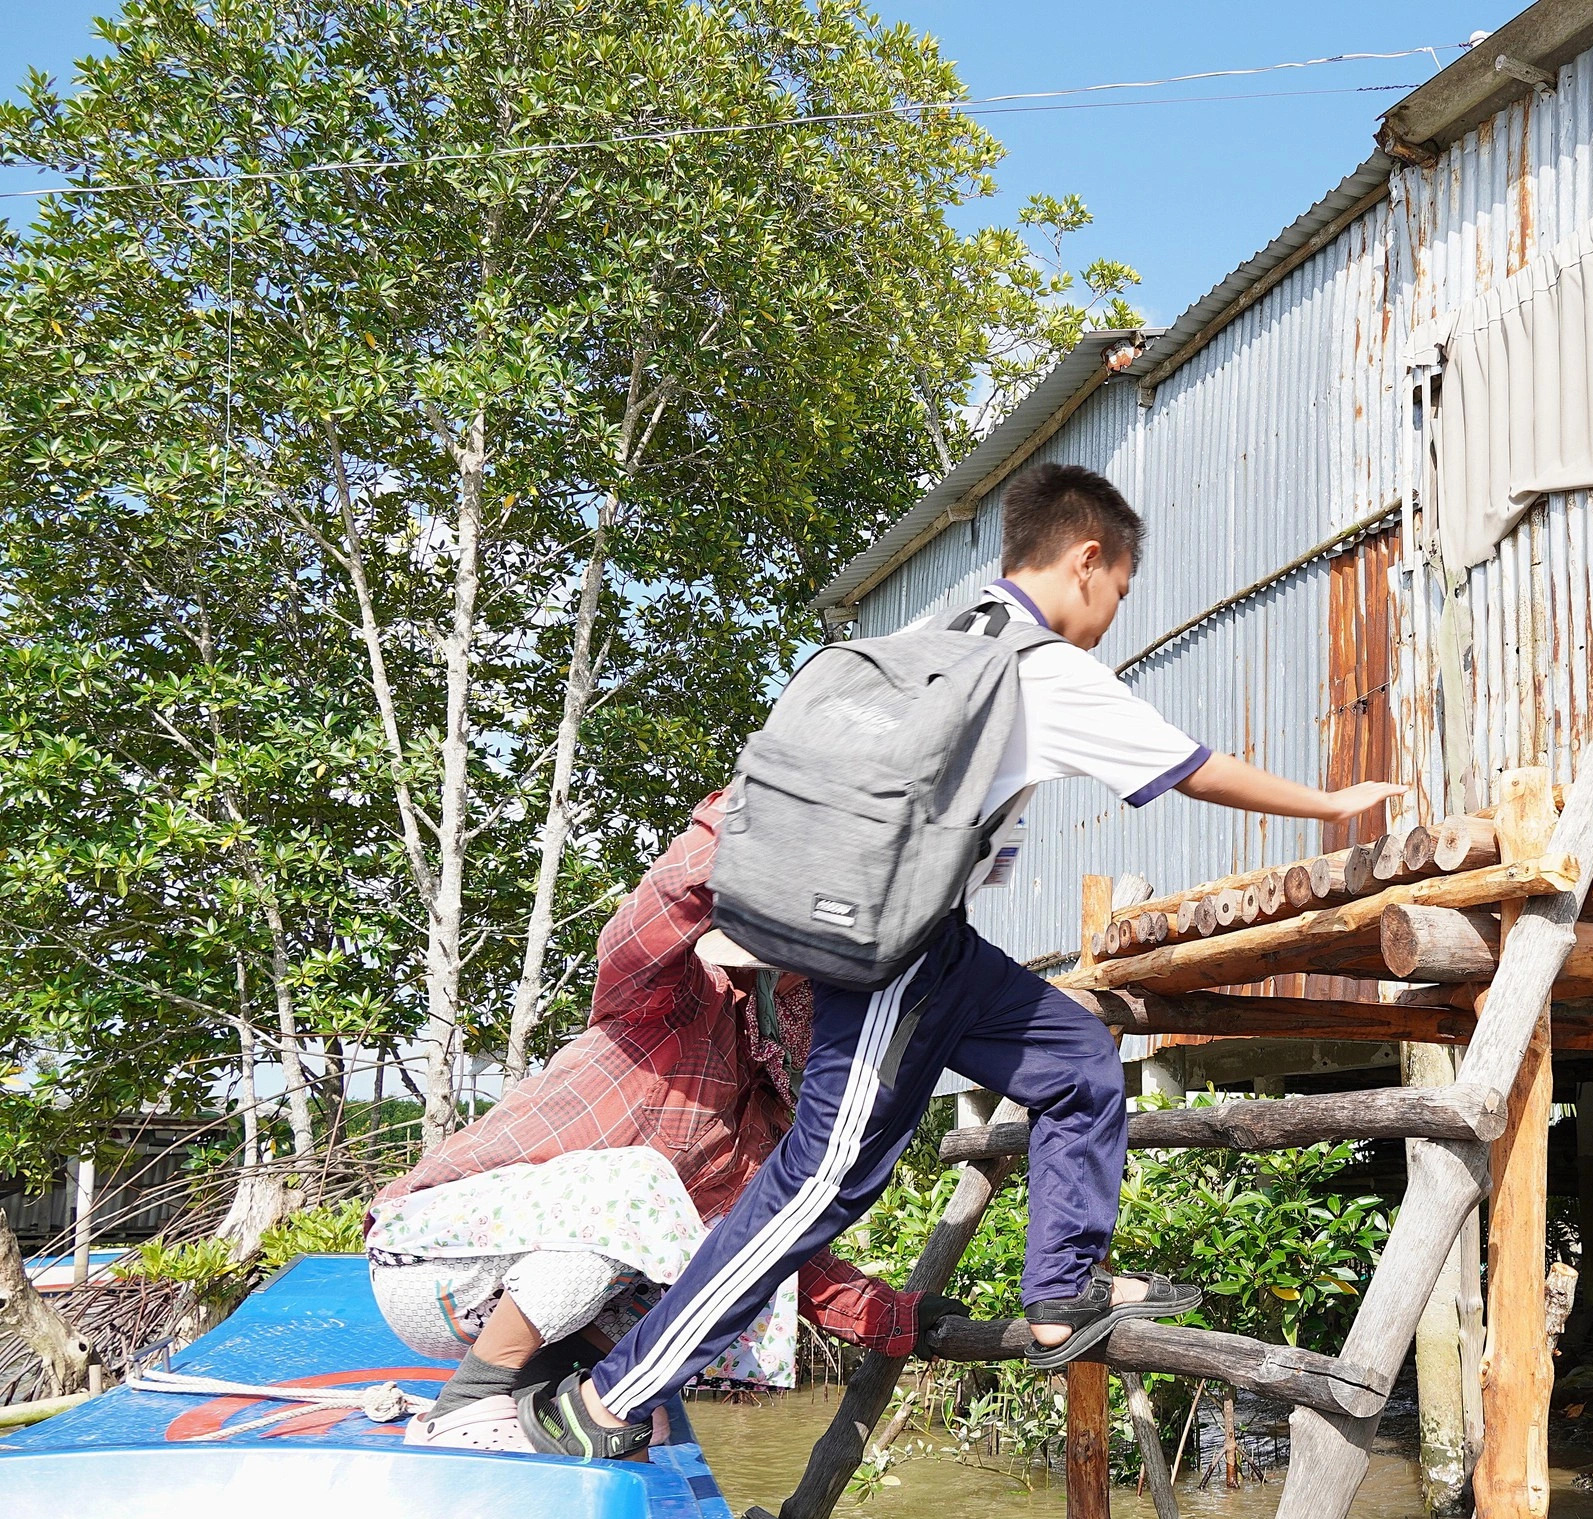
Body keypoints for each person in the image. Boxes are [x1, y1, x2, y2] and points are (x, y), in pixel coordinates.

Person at [516, 462, 1406, 1458]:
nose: (1112, 615)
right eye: (1118, 592)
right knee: (815, 1190)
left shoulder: (936, 633)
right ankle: (604, 1402)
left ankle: (1064, 1293)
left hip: (928, 943)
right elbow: (1188, 768)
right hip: (889, 953)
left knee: (1073, 1061)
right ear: (1087, 559)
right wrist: (1327, 808)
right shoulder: (1041, 668)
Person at [367, 794, 944, 1448]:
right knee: (641, 1186)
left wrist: (902, 1321)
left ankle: (551, 1397)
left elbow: (783, 1262)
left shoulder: (761, 1139)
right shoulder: (676, 1000)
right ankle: (466, 1403)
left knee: (726, 1259)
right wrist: (762, 802)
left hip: (518, 1299)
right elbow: (652, 917)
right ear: (767, 975)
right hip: (429, 1261)